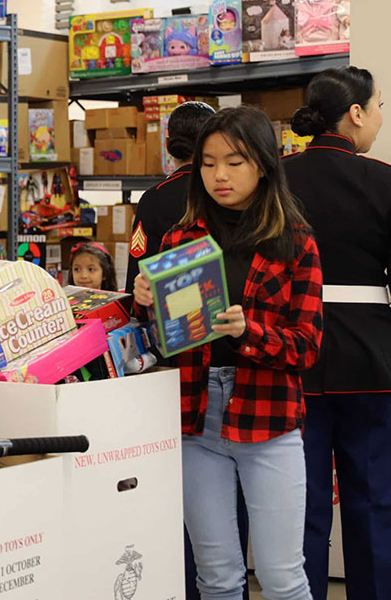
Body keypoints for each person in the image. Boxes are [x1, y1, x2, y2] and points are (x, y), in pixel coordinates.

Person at [133, 105, 322, 600]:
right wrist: (147, 306)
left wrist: (250, 332)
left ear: (263, 164)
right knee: (215, 576)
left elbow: (307, 347)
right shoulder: (181, 238)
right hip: (195, 419)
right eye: (209, 162)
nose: (219, 175)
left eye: (234, 162)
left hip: (269, 420)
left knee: (283, 577)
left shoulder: (295, 242)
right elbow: (164, 345)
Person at [283, 66, 391, 600]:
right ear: (354, 113)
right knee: (372, 499)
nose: (377, 119)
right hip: (371, 358)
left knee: (301, 502)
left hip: (292, 355)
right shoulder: (383, 179)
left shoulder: (277, 177)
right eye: (377, 108)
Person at [125, 101, 216, 292]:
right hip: (225, 304)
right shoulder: (225, 191)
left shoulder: (153, 198)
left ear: (167, 144)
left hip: (168, 305)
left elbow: (139, 267)